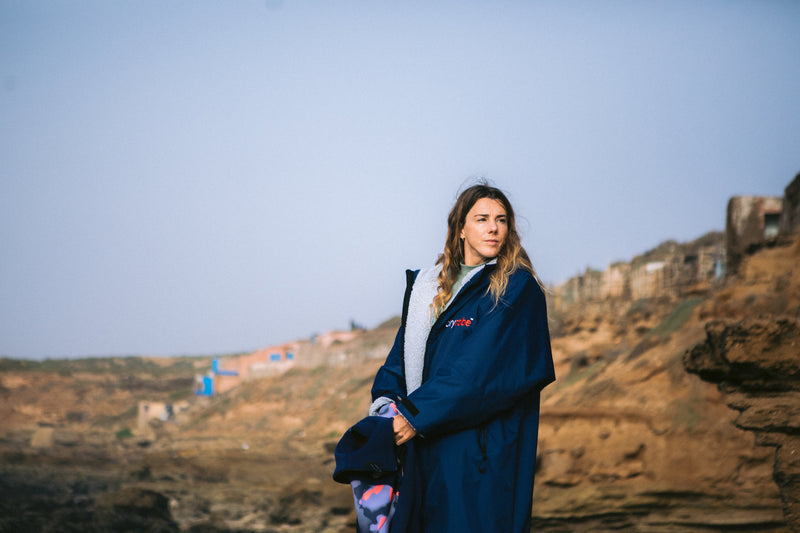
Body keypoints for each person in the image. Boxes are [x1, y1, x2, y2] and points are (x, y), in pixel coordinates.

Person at [369, 183, 556, 532]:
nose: (493, 228)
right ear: (461, 229)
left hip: (481, 452)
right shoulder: (428, 287)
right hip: (423, 446)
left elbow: (479, 372)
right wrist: (384, 409)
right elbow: (400, 361)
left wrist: (414, 416)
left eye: (501, 220)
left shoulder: (516, 287)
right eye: (482, 219)